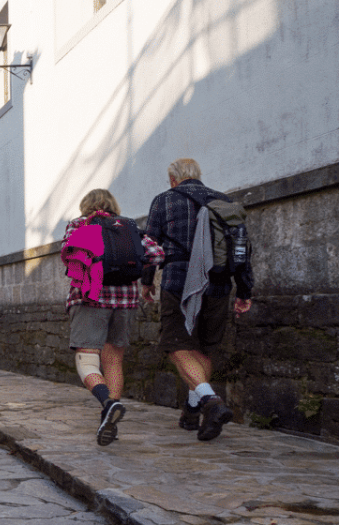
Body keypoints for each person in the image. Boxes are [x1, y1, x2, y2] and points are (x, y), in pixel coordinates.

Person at [142, 158, 253, 441]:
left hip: (178, 281)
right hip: (218, 283)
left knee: (176, 344)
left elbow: (150, 245)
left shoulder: (164, 201)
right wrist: (243, 290)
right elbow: (241, 249)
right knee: (203, 347)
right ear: (198, 176)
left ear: (173, 179)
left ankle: (210, 401)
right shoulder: (223, 200)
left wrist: (146, 282)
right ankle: (192, 411)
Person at [61, 189, 164, 446]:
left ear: (86, 205)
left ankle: (107, 402)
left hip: (90, 298)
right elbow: (158, 254)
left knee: (87, 359)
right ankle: (109, 419)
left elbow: (68, 250)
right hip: (126, 301)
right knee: (114, 361)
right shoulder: (129, 226)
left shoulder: (79, 224)